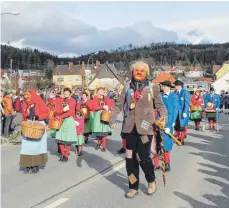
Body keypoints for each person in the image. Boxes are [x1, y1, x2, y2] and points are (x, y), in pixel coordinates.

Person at [110, 61, 167, 198]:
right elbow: (118, 105)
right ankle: (133, 186)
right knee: (130, 160)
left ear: (146, 73)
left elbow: (160, 106)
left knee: (144, 158)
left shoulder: (153, 87)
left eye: (142, 70)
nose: (139, 72)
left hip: (146, 128)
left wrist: (164, 117)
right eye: (137, 70)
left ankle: (151, 180)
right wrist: (111, 118)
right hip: (129, 129)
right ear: (132, 72)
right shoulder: (127, 87)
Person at [19, 89, 49, 174]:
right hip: (28, 126)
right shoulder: (25, 103)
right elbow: (23, 115)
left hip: (38, 125)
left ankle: (35, 165)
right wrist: (24, 119)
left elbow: (47, 113)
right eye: (25, 95)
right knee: (27, 146)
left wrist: (38, 116)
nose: (26, 96)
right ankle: (28, 164)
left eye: (28, 95)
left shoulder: (39, 101)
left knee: (37, 146)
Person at [153, 81, 179, 172]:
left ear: (168, 87)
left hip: (167, 122)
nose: (162, 87)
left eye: (163, 86)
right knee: (155, 144)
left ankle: (167, 162)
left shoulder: (174, 96)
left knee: (166, 145)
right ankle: (156, 164)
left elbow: (174, 111)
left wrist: (171, 123)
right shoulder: (159, 95)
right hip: (157, 122)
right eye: (162, 86)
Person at [55, 88, 78, 162]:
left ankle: (66, 155)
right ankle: (63, 153)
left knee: (67, 140)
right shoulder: (62, 100)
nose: (66, 94)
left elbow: (70, 112)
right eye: (65, 93)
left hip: (68, 120)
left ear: (70, 93)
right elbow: (58, 110)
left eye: (67, 93)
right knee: (60, 139)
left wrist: (60, 116)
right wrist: (61, 112)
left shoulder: (72, 100)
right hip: (61, 120)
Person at [91, 86, 114, 152]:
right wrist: (102, 107)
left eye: (102, 91)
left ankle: (104, 146)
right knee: (98, 131)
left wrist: (106, 97)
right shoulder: (95, 98)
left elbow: (110, 103)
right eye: (100, 91)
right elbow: (94, 106)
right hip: (97, 115)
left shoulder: (106, 97)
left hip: (105, 115)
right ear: (97, 91)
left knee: (104, 132)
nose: (101, 92)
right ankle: (99, 142)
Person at [173, 80, 190, 145]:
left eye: (176, 85)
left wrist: (185, 111)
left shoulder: (184, 92)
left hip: (182, 112)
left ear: (179, 86)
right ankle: (178, 138)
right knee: (176, 126)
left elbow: (186, 102)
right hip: (176, 112)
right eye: (175, 85)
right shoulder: (175, 92)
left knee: (182, 126)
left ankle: (181, 139)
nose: (175, 87)